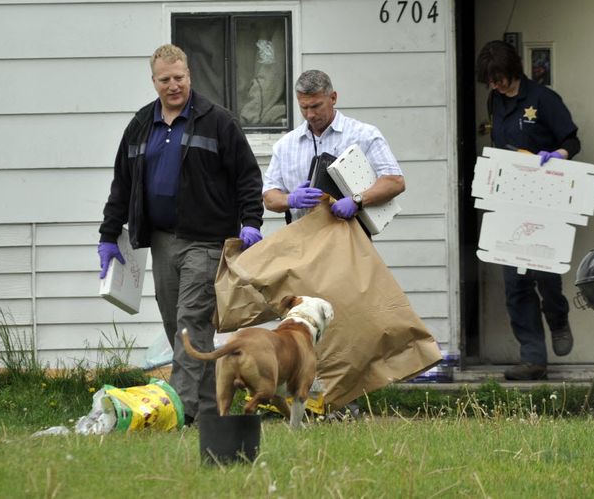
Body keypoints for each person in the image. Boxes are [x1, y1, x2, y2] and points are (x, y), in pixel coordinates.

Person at [97, 44, 264, 425]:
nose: (173, 86)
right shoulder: (141, 124)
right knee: (180, 329)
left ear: (190, 76)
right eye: (165, 80)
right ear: (153, 81)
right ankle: (208, 412)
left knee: (191, 323)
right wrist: (108, 235)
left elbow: (247, 177)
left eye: (180, 78)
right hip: (161, 241)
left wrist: (250, 221)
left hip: (206, 241)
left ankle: (180, 413)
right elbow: (122, 184)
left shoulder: (217, 121)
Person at [476, 40, 580, 381]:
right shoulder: (494, 100)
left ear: (512, 71)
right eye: (490, 81)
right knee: (515, 284)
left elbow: (572, 141)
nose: (495, 85)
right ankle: (533, 358)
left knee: (545, 276)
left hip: (545, 197)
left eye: (500, 79)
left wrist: (557, 156)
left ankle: (558, 318)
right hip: (509, 200)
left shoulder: (543, 100)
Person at [262, 69, 405, 224]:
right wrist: (290, 199)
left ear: (333, 98)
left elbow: (395, 181)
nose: (310, 114)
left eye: (316, 106)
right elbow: (269, 198)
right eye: (304, 107)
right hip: (303, 239)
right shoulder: (285, 145)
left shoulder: (364, 134)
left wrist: (357, 200)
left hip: (351, 236)